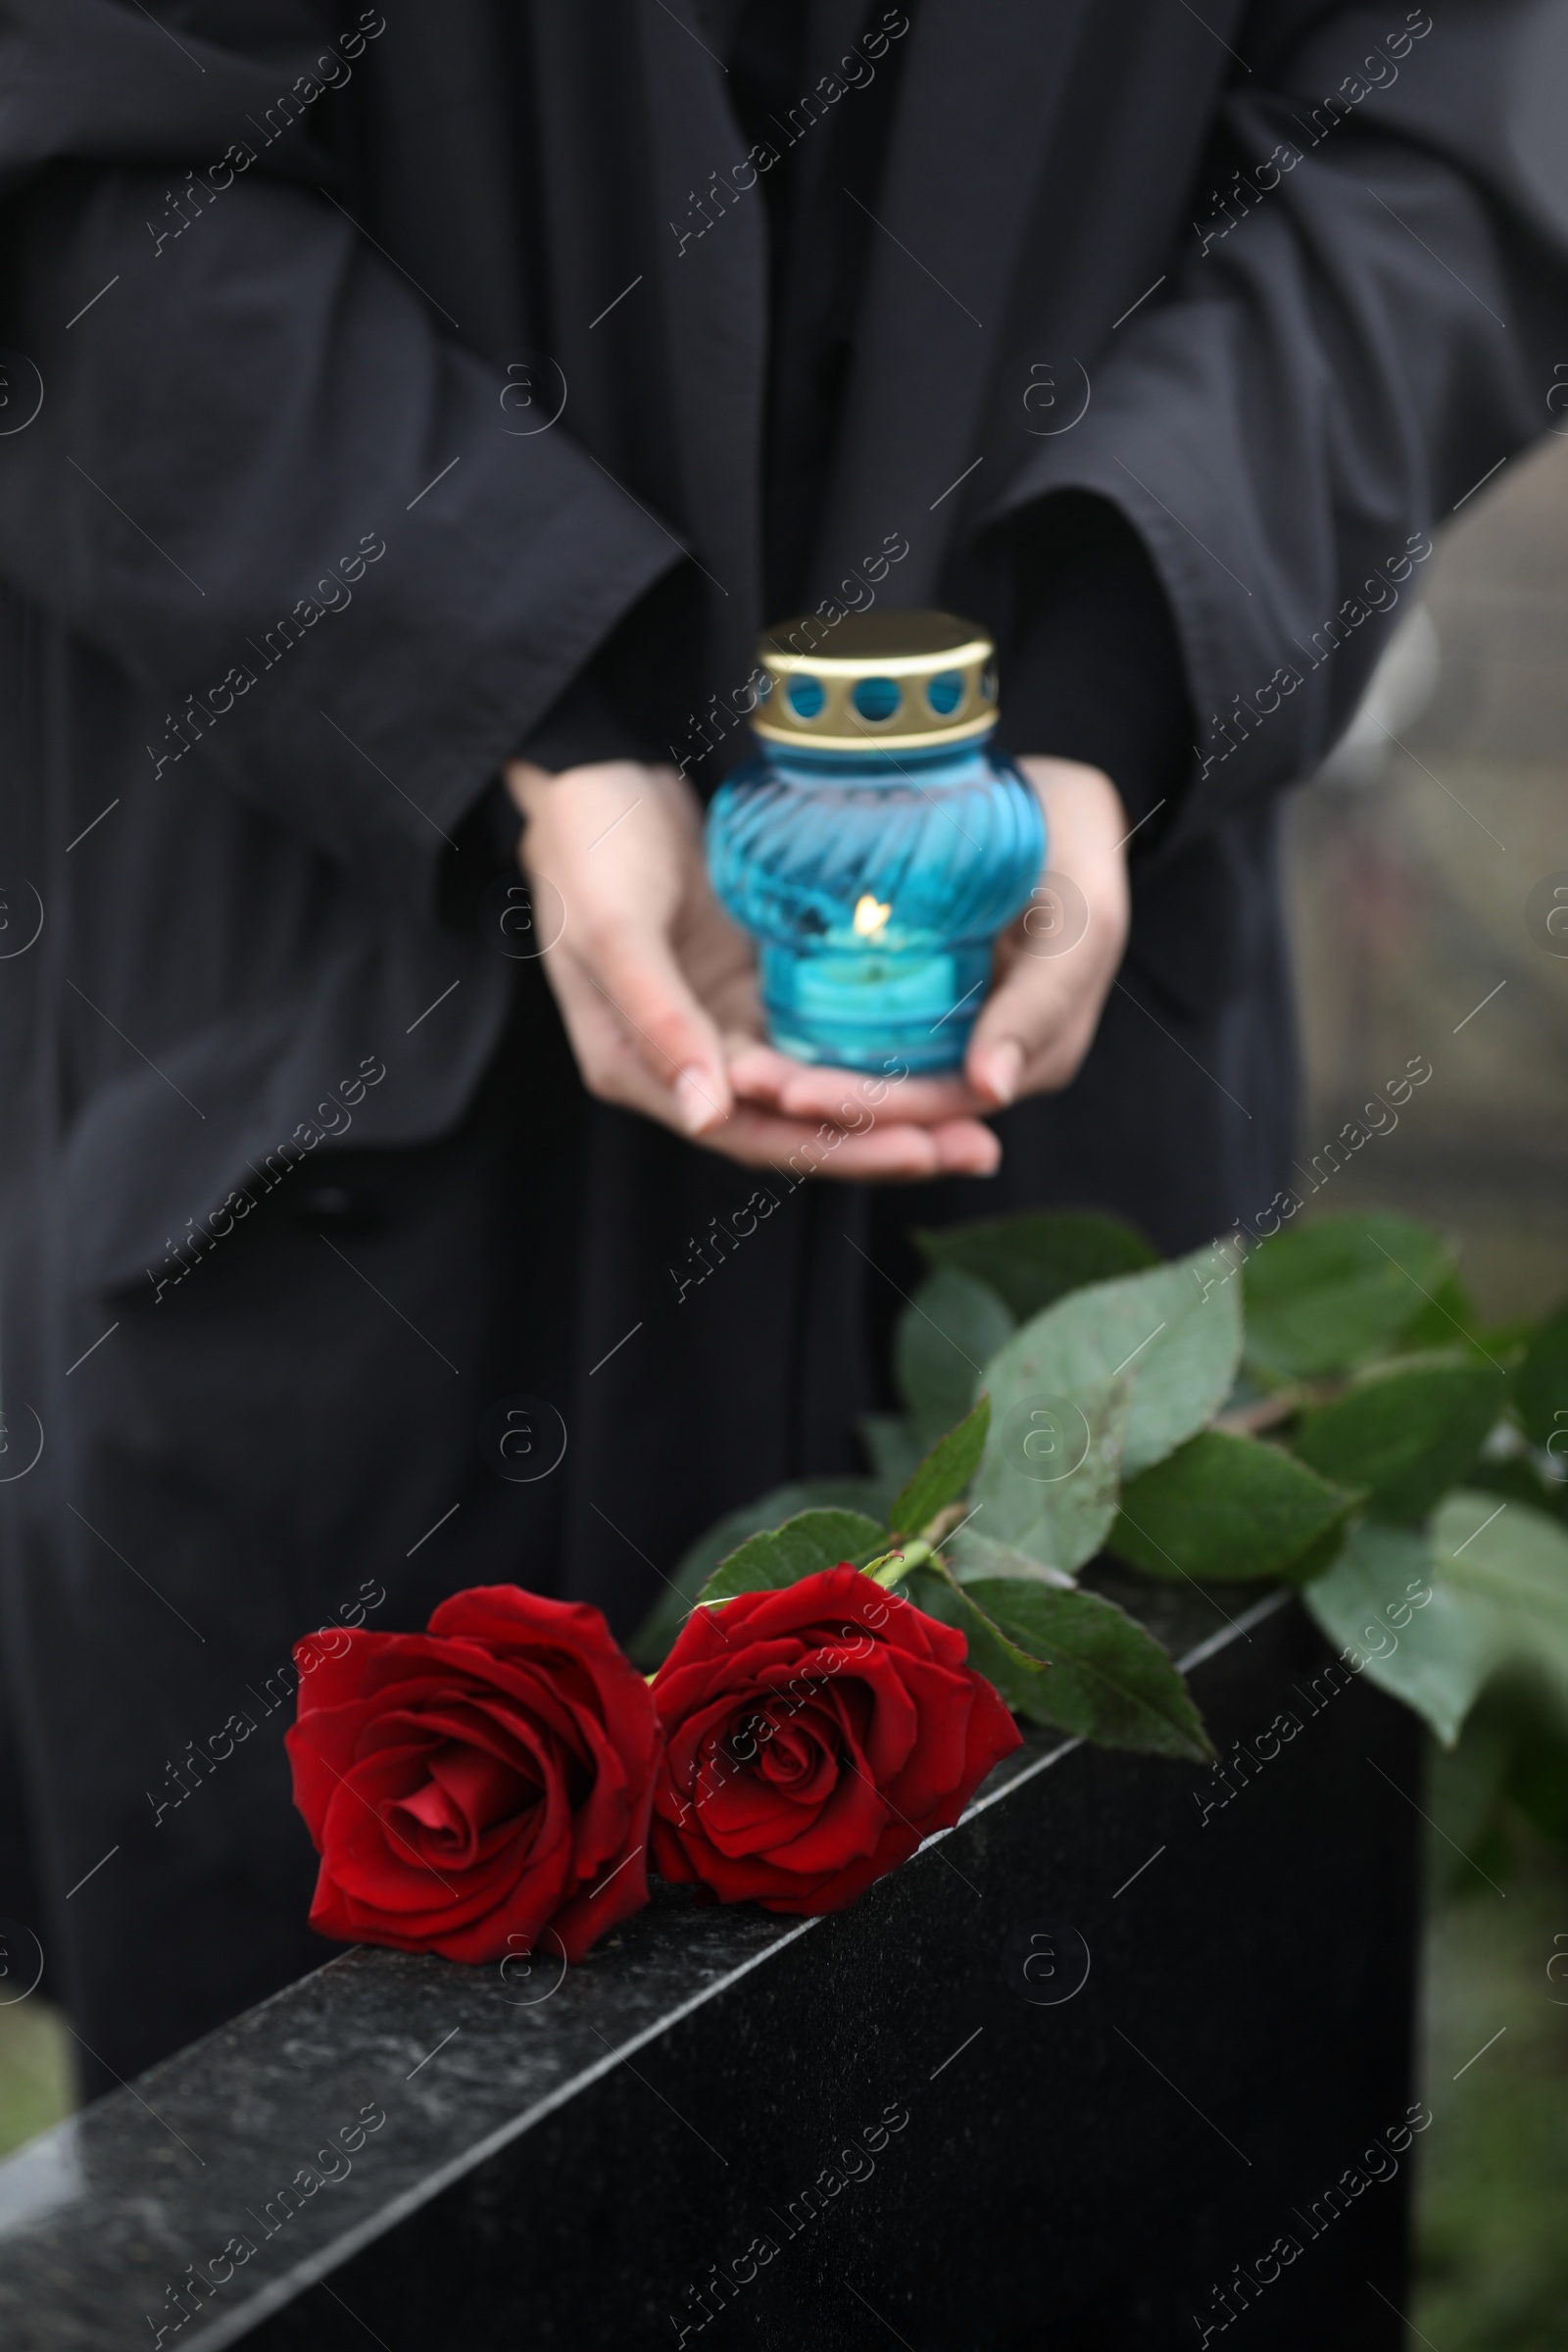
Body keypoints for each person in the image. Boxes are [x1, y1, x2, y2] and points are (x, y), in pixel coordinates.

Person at [0, 0, 1560, 2097]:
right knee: (331, 2190)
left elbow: (1447, 127)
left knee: (1054, 2145)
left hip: (1063, 1108)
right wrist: (527, 697)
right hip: (336, 1118)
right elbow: (74, 148)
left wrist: (1101, 686)